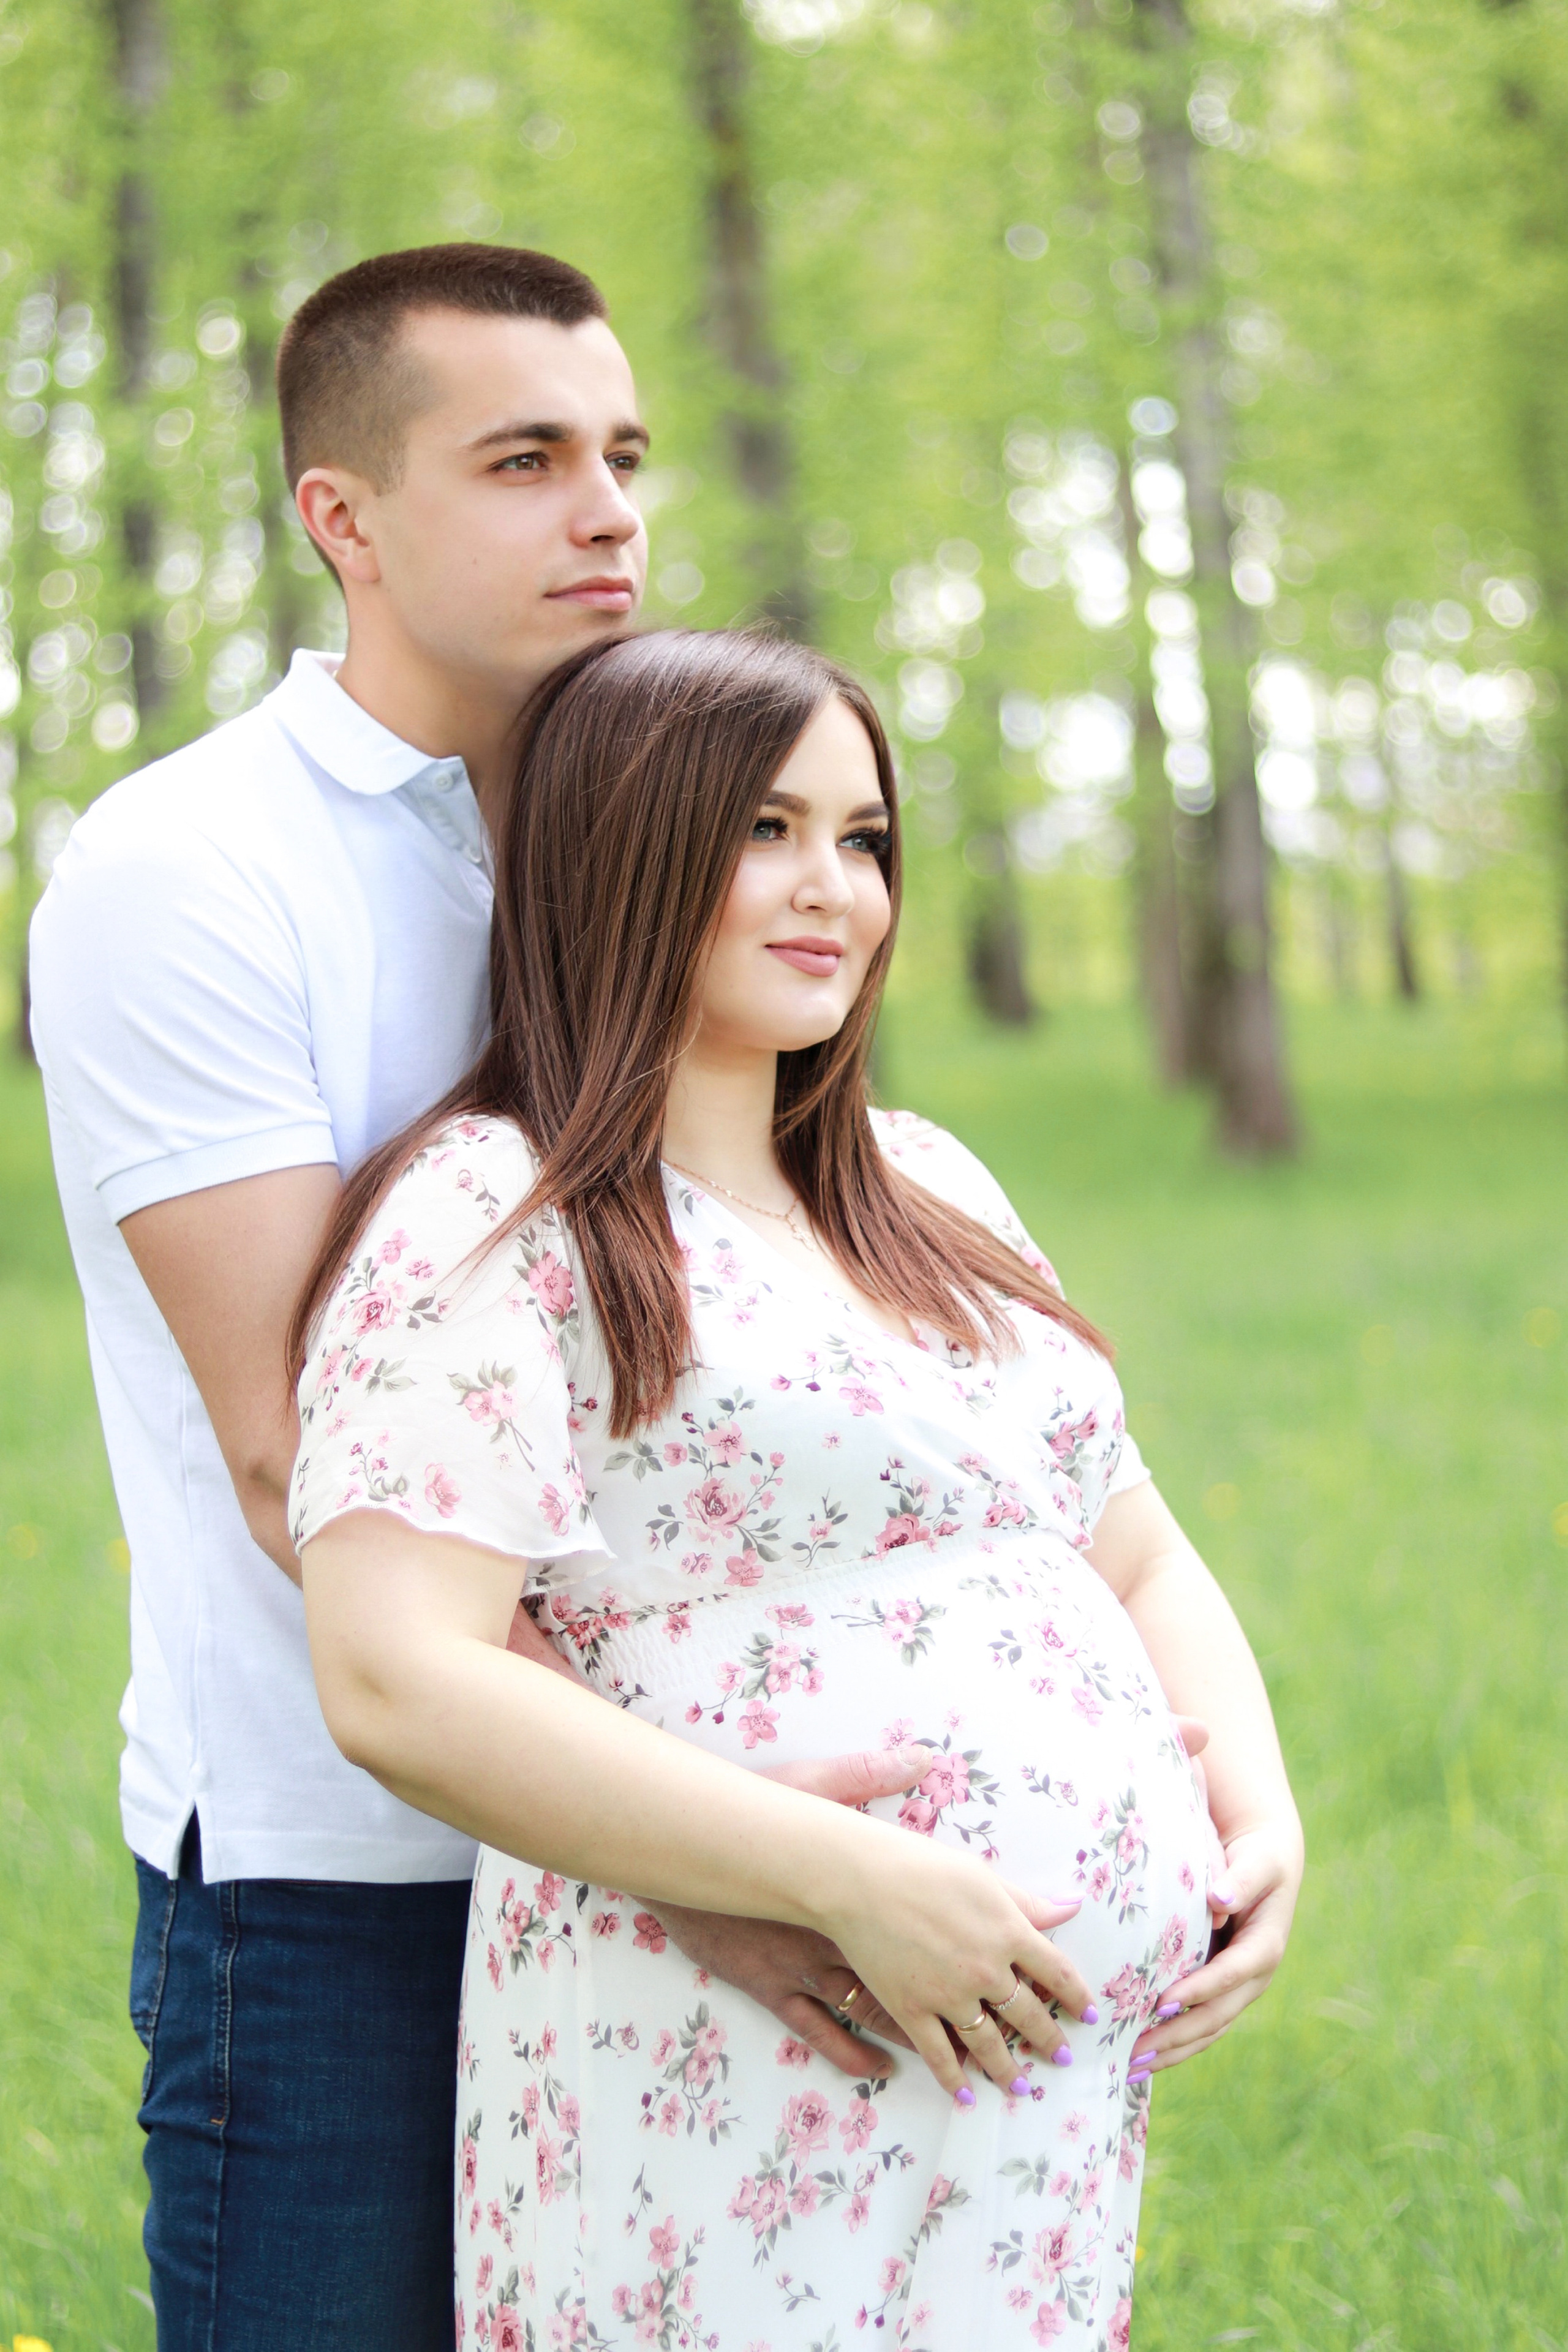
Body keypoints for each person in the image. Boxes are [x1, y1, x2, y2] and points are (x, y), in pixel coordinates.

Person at [28, 244, 933, 2350]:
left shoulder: (651, 829)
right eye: (524, 460)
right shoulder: (192, 872)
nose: (608, 510)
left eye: (623, 453)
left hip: (729, 1835)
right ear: (341, 517)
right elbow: (289, 1451)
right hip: (352, 1877)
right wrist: (714, 1869)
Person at [290, 628, 1305, 2350]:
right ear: (620, 846)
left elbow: (1127, 1549)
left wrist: (1250, 1809)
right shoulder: (500, 1212)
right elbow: (398, 1674)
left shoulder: (921, 1180)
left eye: (864, 837)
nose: (833, 887)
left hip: (1031, 2085)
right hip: (739, 2036)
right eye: (766, 829)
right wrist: (848, 1881)